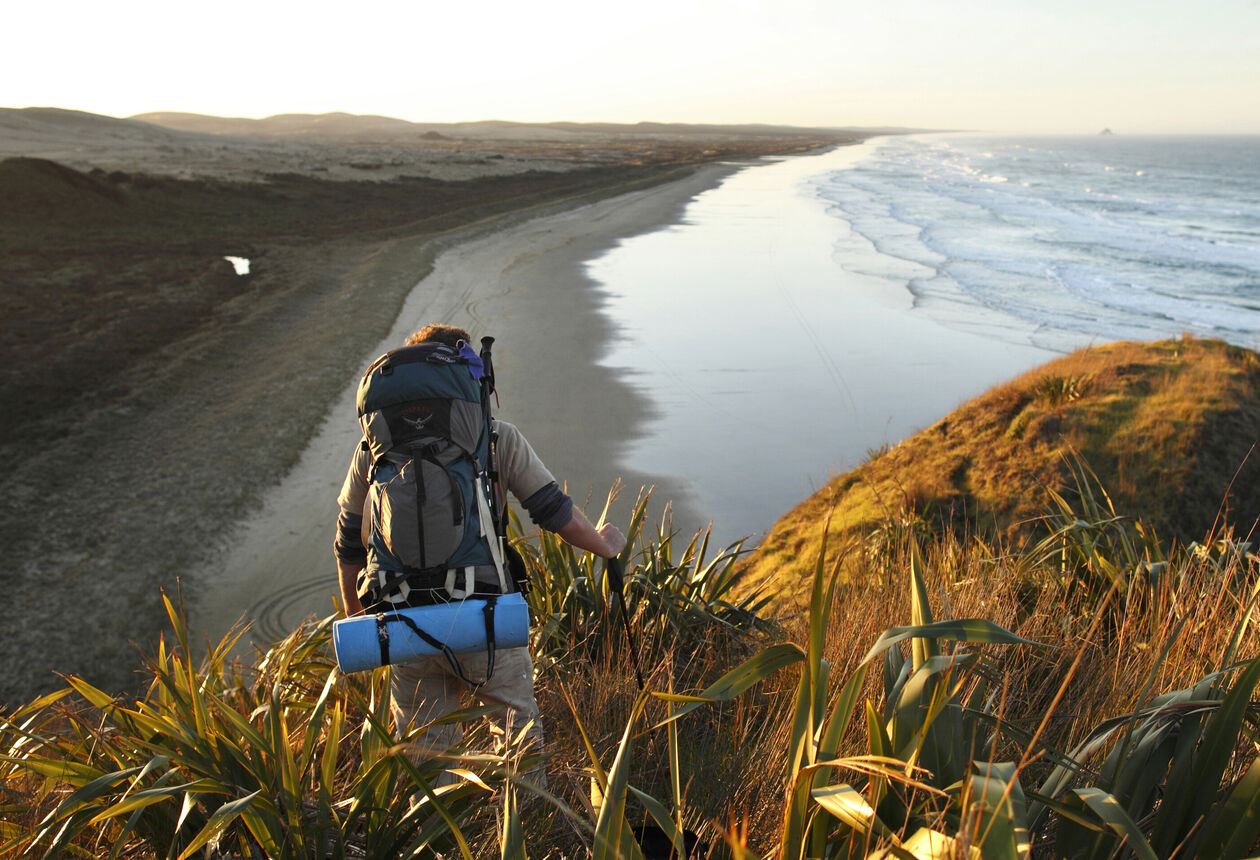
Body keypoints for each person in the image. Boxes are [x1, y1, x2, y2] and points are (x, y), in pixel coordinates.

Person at [333, 323, 625, 783]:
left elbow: (349, 539)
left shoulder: (372, 449)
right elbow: (553, 511)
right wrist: (604, 544)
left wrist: (356, 613)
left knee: (425, 756)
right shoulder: (493, 437)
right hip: (485, 618)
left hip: (405, 622)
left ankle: (440, 843)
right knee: (517, 742)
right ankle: (527, 831)